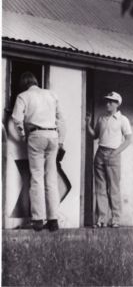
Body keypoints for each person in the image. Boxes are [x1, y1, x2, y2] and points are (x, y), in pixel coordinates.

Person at [11, 72, 65, 232]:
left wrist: (22, 136)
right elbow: (61, 119)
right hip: (53, 136)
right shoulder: (51, 94)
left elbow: (16, 118)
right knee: (51, 179)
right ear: (35, 82)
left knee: (36, 177)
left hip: (36, 135)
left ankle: (38, 220)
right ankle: (54, 220)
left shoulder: (23, 96)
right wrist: (61, 140)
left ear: (23, 84)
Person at [86, 91, 132, 228]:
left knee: (114, 189)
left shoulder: (123, 120)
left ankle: (116, 219)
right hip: (100, 153)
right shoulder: (101, 118)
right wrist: (88, 124)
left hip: (113, 154)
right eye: (107, 101)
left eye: (111, 101)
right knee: (100, 188)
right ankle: (101, 219)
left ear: (117, 104)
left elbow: (128, 139)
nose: (108, 103)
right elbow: (95, 135)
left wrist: (116, 153)